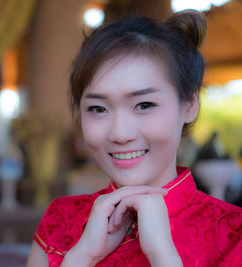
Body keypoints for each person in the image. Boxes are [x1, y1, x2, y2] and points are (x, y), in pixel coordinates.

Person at [26, 10, 242, 267]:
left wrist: (163, 256)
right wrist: (81, 257)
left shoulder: (233, 233)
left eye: (144, 104)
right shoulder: (60, 220)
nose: (120, 133)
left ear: (189, 105)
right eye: (98, 109)